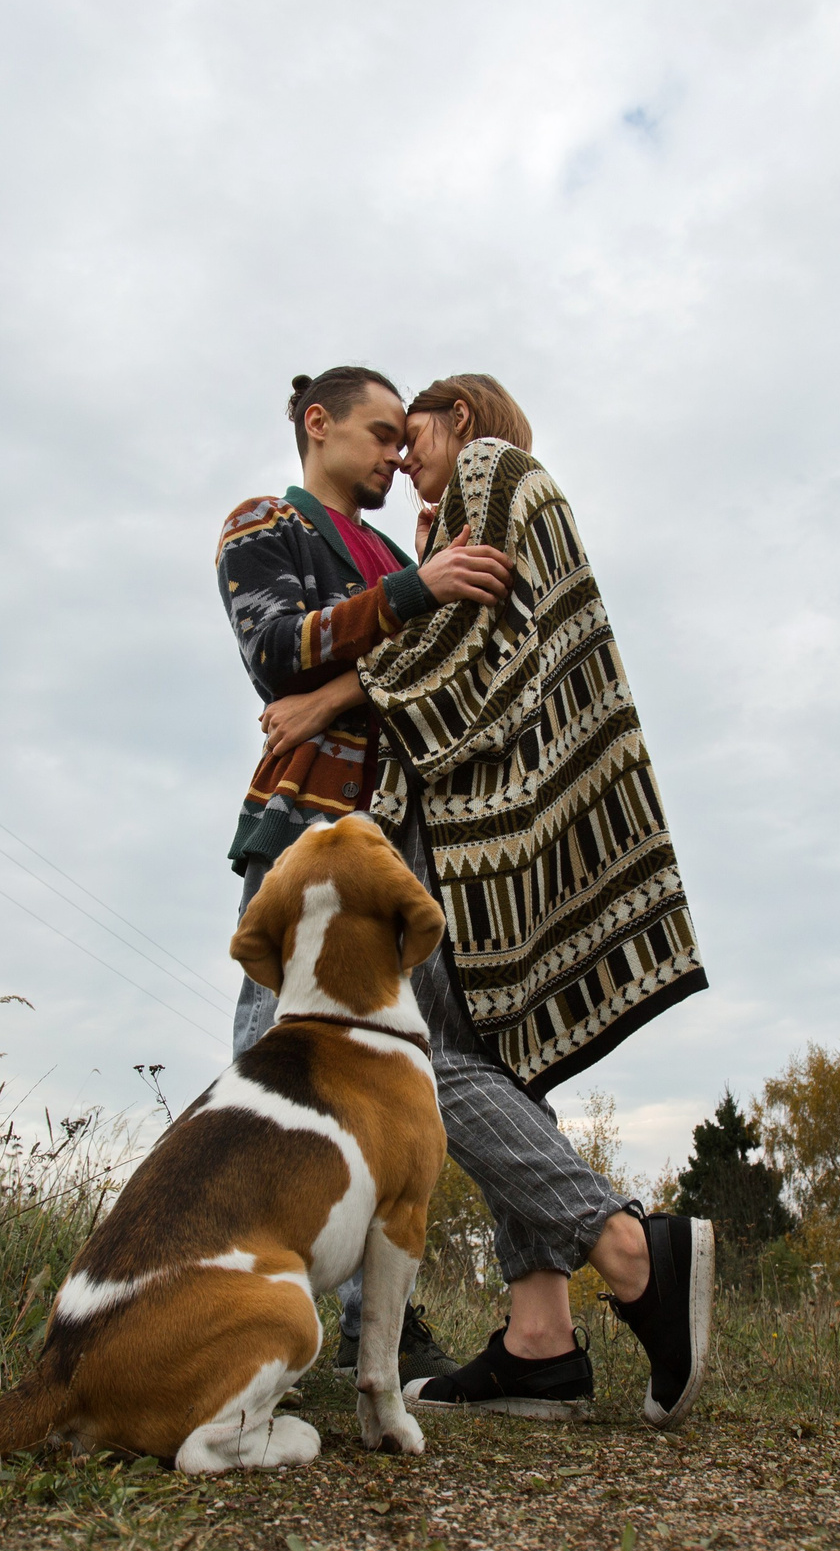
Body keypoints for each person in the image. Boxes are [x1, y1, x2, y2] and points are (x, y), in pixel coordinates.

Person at [249, 373, 716, 1428]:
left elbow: (464, 652)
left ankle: (630, 1249)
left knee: (426, 1062)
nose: (404, 460)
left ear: (461, 420)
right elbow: (472, 630)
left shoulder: (499, 471)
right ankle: (541, 1341)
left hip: (483, 825)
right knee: (501, 1061)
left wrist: (327, 693)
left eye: (412, 436)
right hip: (507, 816)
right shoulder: (484, 501)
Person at [213, 366, 511, 1385]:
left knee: (391, 1080)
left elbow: (425, 674)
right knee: (278, 1062)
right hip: (308, 829)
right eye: (379, 435)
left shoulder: (395, 551)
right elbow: (276, 649)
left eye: (401, 438)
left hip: (407, 850)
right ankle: (241, 1300)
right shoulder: (266, 523)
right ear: (317, 425)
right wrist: (412, 596)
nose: (394, 455)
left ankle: (363, 1327)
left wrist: (393, 624)